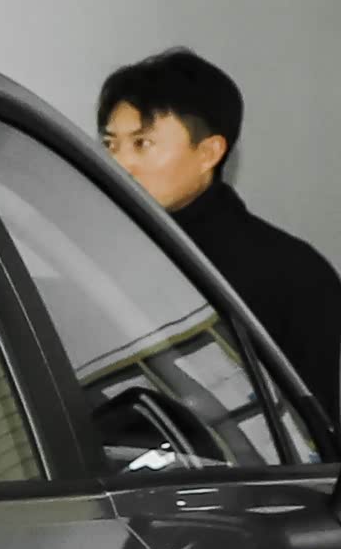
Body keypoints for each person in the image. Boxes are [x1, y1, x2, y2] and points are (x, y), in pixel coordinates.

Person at [100, 48, 341, 432]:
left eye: (142, 143)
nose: (117, 163)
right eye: (110, 144)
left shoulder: (292, 274)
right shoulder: (95, 255)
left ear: (208, 152)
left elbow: (315, 434)